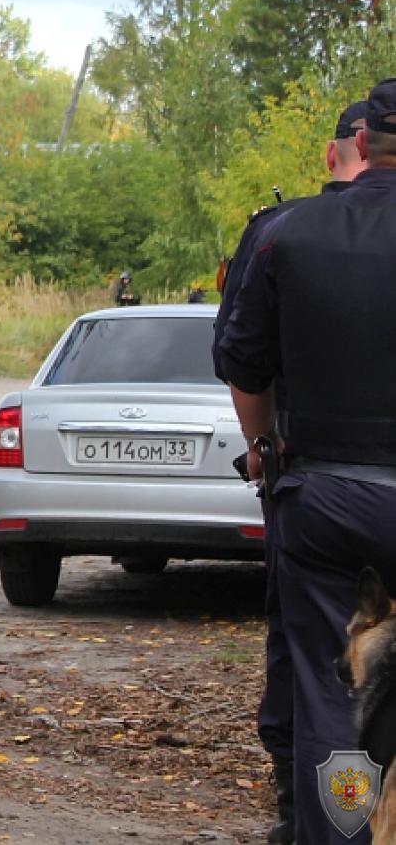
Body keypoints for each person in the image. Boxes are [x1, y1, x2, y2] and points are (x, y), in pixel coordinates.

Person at [217, 78, 396, 845]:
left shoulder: (285, 233)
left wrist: (263, 455)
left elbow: (245, 368)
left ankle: (340, 832)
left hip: (325, 494)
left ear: (364, 144)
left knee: (331, 696)